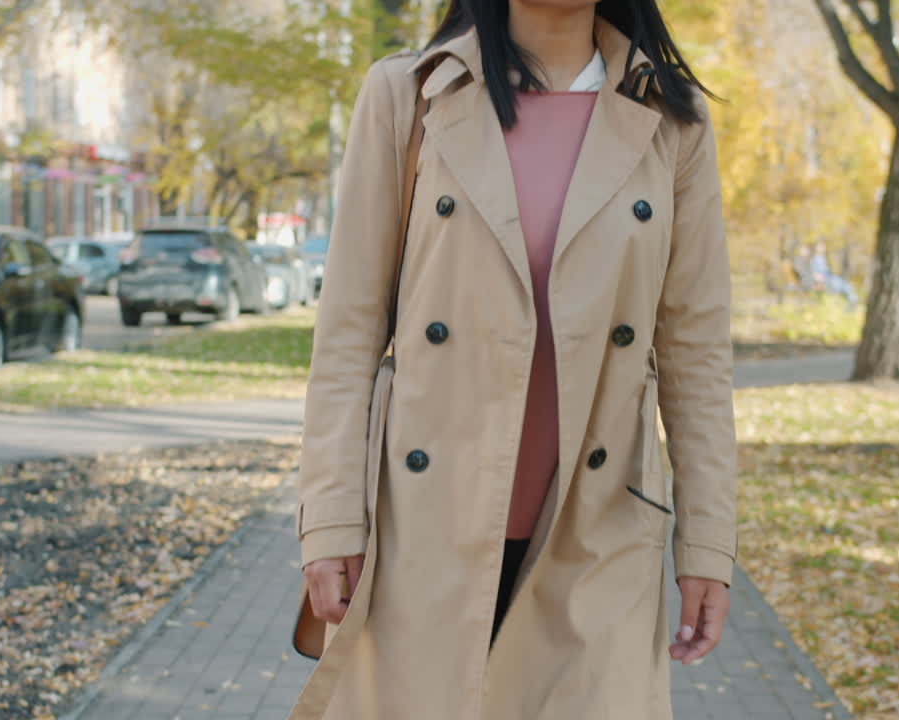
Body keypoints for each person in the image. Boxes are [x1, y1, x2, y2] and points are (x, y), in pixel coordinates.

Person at [292, 1, 738, 718]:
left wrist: (707, 545)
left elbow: (696, 354)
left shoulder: (671, 118)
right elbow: (348, 331)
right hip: (425, 528)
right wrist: (332, 517)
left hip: (600, 533)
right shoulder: (408, 95)